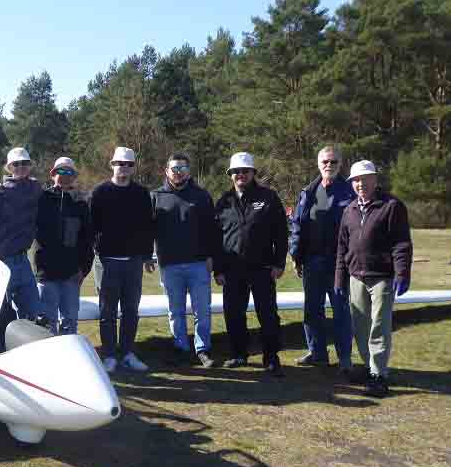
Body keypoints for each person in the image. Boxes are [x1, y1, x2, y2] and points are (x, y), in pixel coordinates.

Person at [335, 160, 413, 397]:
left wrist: (402, 273)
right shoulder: (349, 210)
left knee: (379, 327)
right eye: (356, 180)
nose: (361, 184)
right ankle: (370, 368)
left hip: (382, 277)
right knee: (360, 327)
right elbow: (342, 247)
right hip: (356, 276)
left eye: (365, 179)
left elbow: (401, 243)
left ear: (375, 180)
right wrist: (340, 277)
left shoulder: (391, 206)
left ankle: (379, 375)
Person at [212, 152, 288, 376]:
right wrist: (218, 268)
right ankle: (238, 354)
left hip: (262, 267)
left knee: (268, 314)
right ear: (230, 175)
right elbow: (216, 239)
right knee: (233, 313)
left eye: (245, 171)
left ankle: (271, 357)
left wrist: (279, 262)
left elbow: (281, 233)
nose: (240, 175)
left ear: (253, 173)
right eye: (236, 172)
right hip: (232, 269)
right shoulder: (224, 201)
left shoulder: (269, 197)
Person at [289, 145, 356, 376]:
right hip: (311, 261)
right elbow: (297, 225)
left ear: (340, 164)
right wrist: (296, 255)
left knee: (341, 312)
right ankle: (317, 353)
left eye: (333, 162)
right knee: (312, 310)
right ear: (318, 164)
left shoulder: (350, 194)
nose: (328, 165)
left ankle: (344, 358)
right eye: (325, 162)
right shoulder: (308, 191)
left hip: (339, 264)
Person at [90, 147, 156, 373]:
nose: (124, 168)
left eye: (128, 164)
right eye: (120, 163)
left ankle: (127, 352)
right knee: (107, 311)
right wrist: (96, 252)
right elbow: (91, 227)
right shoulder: (99, 192)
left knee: (130, 309)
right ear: (112, 164)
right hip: (107, 261)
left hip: (134, 262)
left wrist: (147, 255)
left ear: (133, 167)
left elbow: (148, 226)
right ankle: (109, 354)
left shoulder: (141, 193)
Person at [0, 147, 44, 352]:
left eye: (25, 163)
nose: (21, 168)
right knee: (0, 315)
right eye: (16, 164)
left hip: (22, 261)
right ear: (9, 167)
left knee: (33, 312)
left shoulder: (34, 188)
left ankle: (31, 354)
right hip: (0, 263)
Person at [152, 152, 216, 368]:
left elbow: (212, 230)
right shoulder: (156, 196)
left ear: (188, 171)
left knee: (202, 311)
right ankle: (181, 347)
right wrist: (149, 257)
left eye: (182, 169)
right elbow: (148, 231)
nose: (178, 172)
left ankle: (202, 349)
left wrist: (210, 257)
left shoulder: (202, 196)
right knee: (175, 311)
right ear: (167, 171)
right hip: (170, 265)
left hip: (198, 263)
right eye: (174, 169)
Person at [34, 157, 94, 335]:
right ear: (53, 175)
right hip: (46, 273)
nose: (65, 176)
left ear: (74, 176)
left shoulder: (80, 203)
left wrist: (84, 269)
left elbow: (87, 239)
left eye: (69, 172)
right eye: (61, 171)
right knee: (47, 323)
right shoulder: (41, 199)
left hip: (71, 275)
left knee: (69, 321)